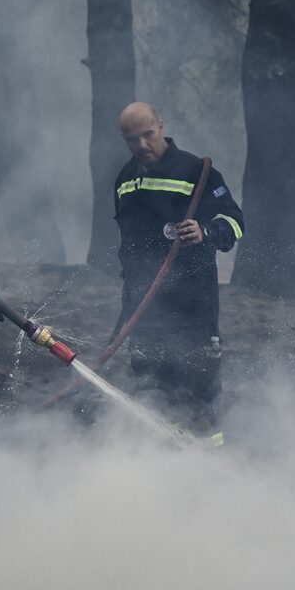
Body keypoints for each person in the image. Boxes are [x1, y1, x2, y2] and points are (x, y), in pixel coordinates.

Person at [112, 102, 245, 434]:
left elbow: (235, 220)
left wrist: (207, 232)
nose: (141, 146)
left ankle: (207, 462)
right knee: (150, 389)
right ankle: (155, 464)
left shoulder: (196, 172)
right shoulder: (125, 179)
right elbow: (127, 243)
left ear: (161, 127)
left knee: (198, 389)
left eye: (147, 135)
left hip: (192, 306)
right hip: (143, 308)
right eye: (132, 139)